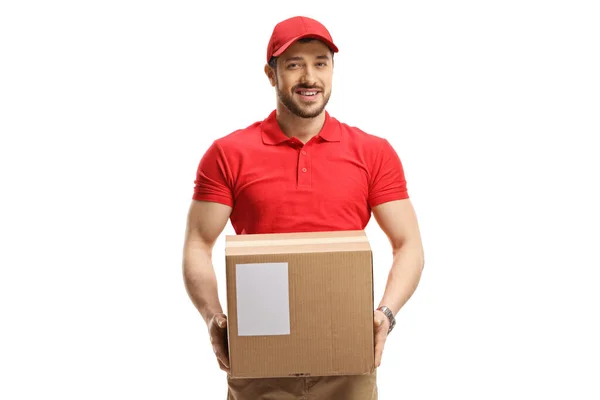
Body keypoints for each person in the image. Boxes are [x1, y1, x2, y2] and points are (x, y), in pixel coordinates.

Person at [182, 15, 425, 400]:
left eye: (320, 63)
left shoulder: (373, 152)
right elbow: (197, 243)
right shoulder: (228, 154)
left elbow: (408, 243)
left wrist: (386, 314)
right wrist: (214, 318)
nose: (309, 77)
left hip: (347, 359)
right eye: (294, 64)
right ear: (270, 73)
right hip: (259, 362)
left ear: (332, 70)